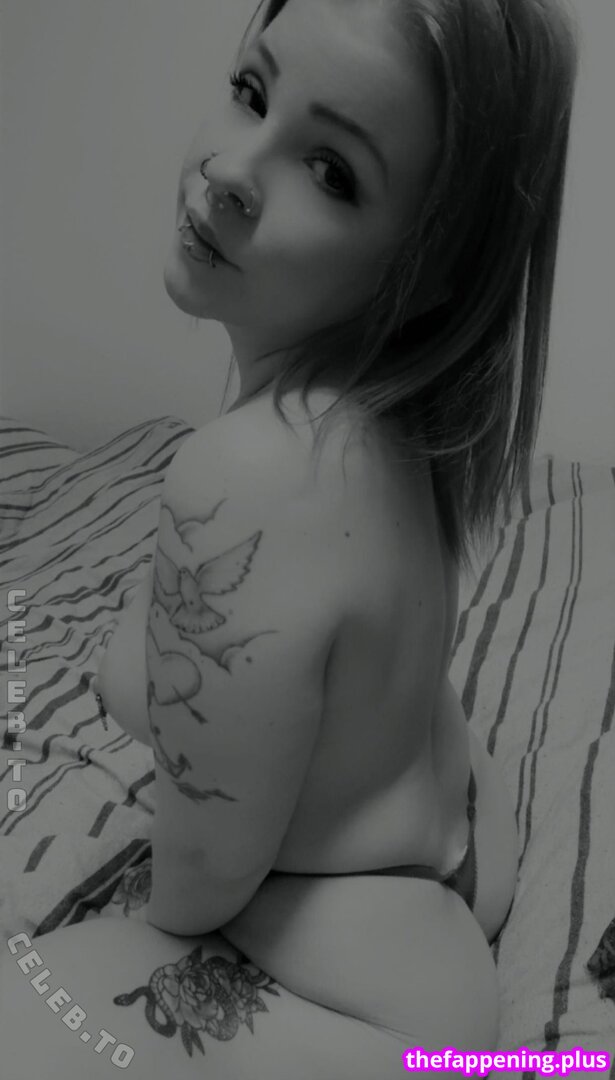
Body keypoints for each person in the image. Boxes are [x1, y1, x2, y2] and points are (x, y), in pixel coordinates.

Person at [0, 0, 579, 1076]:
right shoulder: (394, 419)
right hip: (453, 844)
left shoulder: (250, 471)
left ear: (431, 267)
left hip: (370, 1002)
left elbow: (201, 881)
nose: (230, 171)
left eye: (332, 171)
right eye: (251, 91)